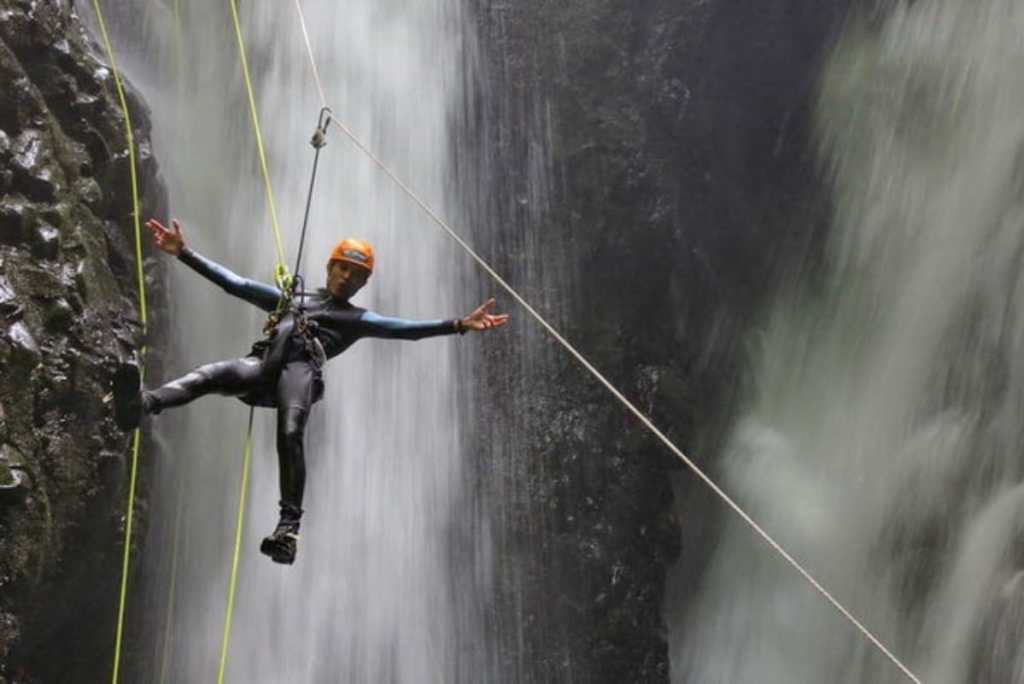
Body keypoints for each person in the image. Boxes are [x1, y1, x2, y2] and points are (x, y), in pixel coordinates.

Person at [112, 218, 509, 564]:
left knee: (290, 432)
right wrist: (184, 253)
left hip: (300, 374)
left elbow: (405, 330)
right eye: (344, 269)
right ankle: (141, 404)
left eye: (358, 275)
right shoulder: (292, 299)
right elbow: (237, 285)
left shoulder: (357, 319)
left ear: (364, 282)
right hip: (264, 366)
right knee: (207, 375)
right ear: (330, 266)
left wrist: (458, 324)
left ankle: (287, 529)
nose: (348, 278)